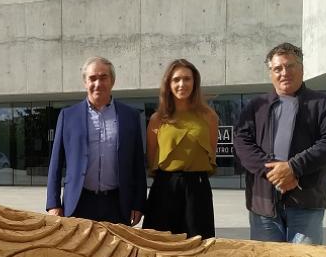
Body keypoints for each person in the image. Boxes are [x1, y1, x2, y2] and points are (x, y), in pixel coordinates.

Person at [232, 42, 326, 244]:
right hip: (263, 206)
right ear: (270, 73)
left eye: (290, 66)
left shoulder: (322, 104)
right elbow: (242, 143)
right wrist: (275, 173)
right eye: (277, 68)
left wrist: (293, 168)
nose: (284, 73)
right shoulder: (256, 106)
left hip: (306, 202)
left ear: (301, 69)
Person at [46, 57, 146, 225]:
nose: (98, 83)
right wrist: (53, 203)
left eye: (103, 77)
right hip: (79, 203)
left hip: (117, 204)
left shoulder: (130, 116)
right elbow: (56, 163)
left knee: (116, 251)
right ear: (85, 82)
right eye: (92, 78)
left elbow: (138, 165)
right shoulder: (68, 116)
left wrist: (139, 203)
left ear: (112, 81)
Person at [143, 59, 219, 238]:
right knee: (161, 247)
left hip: (197, 189)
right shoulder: (157, 119)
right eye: (176, 79)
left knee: (198, 246)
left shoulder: (209, 117)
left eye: (187, 79)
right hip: (164, 188)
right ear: (168, 84)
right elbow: (152, 157)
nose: (181, 84)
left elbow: (211, 151)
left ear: (195, 82)